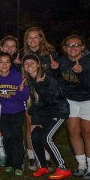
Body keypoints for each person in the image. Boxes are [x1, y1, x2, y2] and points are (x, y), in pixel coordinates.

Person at [54, 35, 90, 180]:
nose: (73, 48)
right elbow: (59, 80)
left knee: (88, 132)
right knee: (73, 131)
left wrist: (80, 72)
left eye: (76, 45)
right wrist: (55, 70)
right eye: (69, 45)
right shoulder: (62, 61)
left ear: (83, 47)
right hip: (71, 99)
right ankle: (81, 166)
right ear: (64, 48)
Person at [22, 54, 71, 180]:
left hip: (58, 111)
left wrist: (32, 110)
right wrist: (35, 119)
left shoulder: (46, 78)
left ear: (38, 64)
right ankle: (42, 166)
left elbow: (50, 99)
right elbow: (37, 102)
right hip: (44, 112)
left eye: (32, 63)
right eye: (26, 63)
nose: (29, 65)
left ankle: (63, 168)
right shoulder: (30, 80)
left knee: (47, 138)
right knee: (34, 135)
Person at [21, 27, 58, 171]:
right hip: (31, 94)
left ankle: (46, 159)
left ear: (41, 38)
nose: (33, 40)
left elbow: (59, 75)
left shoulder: (51, 54)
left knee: (45, 126)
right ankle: (32, 157)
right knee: (31, 125)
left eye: (36, 37)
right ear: (26, 40)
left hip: (47, 95)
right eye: (29, 37)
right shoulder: (22, 54)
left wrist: (56, 68)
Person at [0, 52, 30, 176]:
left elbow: (25, 96)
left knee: (17, 137)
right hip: (2, 113)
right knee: (7, 136)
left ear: (11, 64)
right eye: (1, 62)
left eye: (7, 62)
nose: (4, 64)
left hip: (17, 111)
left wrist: (19, 92)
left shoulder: (18, 77)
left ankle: (18, 164)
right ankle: (9, 161)